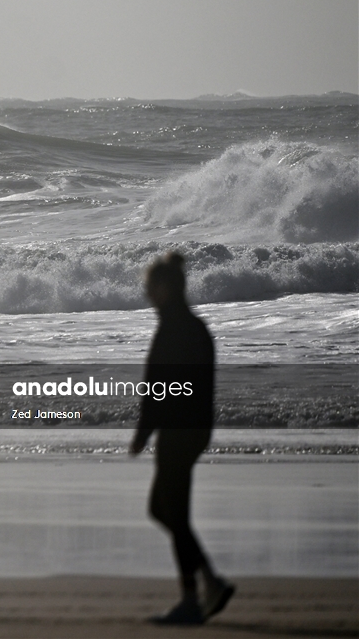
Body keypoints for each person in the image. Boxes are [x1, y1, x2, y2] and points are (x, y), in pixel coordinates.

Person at [130, 252, 235, 625]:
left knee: (170, 511)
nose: (146, 292)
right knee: (165, 510)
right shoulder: (196, 327)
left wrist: (144, 432)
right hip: (195, 428)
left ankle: (193, 597)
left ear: (165, 288)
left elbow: (157, 388)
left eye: (150, 286)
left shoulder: (173, 329)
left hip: (178, 430)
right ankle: (208, 580)